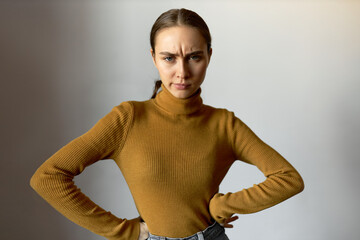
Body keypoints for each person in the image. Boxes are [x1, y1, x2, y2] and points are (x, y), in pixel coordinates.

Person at [30, 8, 304, 240]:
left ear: (209, 56)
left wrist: (226, 204)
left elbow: (288, 179)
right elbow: (49, 177)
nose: (182, 72)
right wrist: (124, 231)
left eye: (194, 57)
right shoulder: (128, 119)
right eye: (169, 58)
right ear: (153, 58)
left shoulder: (224, 124)